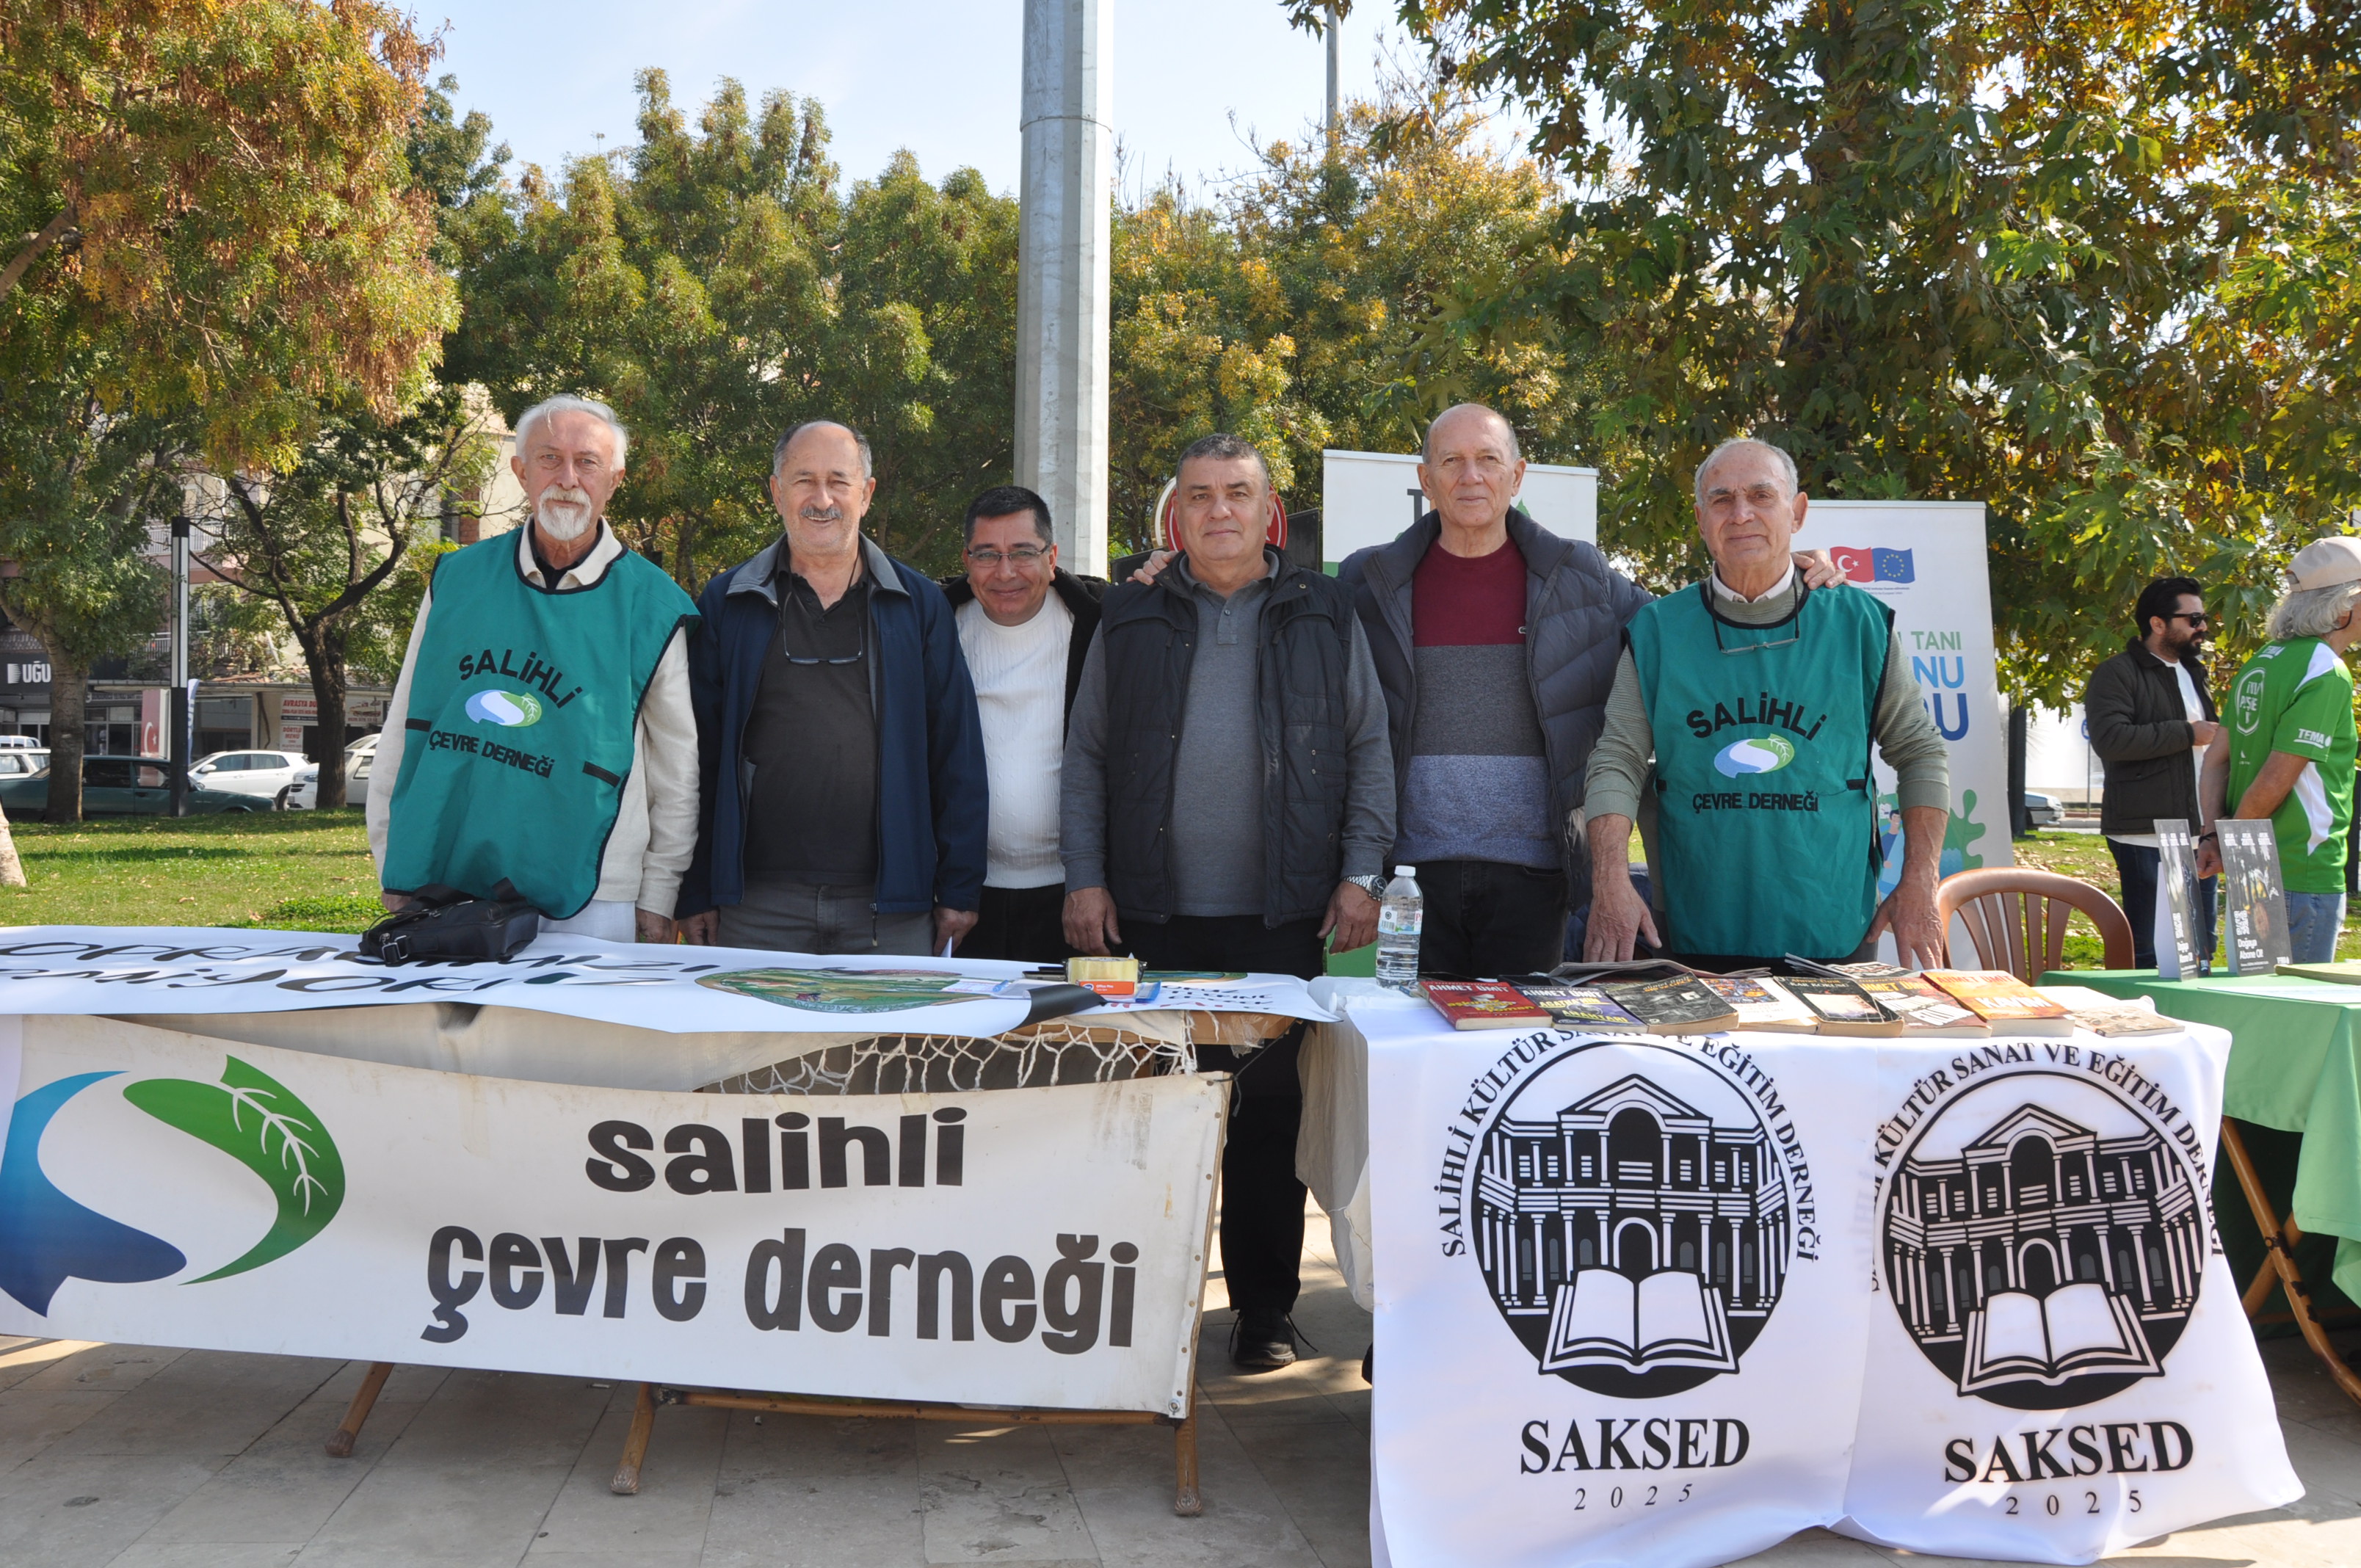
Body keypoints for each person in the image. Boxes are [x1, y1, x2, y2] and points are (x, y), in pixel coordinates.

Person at [1061, 432, 1394, 1371]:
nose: (1218, 512)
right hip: (1149, 916)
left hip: (1281, 918)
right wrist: (1085, 878)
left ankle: (1263, 1314)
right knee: (1150, 1119)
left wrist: (1362, 872)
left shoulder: (1325, 613)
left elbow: (1369, 747)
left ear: (1267, 510)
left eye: (1236, 494)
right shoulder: (1128, 620)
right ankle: (1140, 1313)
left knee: (1268, 1121)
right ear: (1177, 515)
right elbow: (1085, 756)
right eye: (1199, 496)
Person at [1338, 403, 1846, 976]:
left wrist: (1781, 573)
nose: (1470, 476)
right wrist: (1360, 867)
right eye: (1452, 461)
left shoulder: (1579, 575)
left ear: (1518, 474)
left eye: (1488, 459)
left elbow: (1689, 630)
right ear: (1426, 479)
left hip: (1537, 876)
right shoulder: (1368, 582)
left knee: (1520, 1056)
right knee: (1416, 1052)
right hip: (1411, 879)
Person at [1583, 437, 1951, 969]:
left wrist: (1920, 878)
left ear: (1796, 512)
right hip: (1696, 919)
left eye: (1761, 495)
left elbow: (1919, 752)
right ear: (1701, 518)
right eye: (1722, 499)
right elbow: (1617, 759)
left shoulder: (1859, 625)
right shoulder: (1659, 631)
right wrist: (1611, 880)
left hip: (1831, 921)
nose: (1741, 514)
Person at [369, 395, 699, 943]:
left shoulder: (654, 606)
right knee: (463, 1031)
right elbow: (408, 723)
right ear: (521, 471)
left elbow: (676, 768)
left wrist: (659, 893)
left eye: (587, 462)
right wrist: (394, 858)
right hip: (453, 876)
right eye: (549, 459)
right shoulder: (457, 580)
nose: (568, 478)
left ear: (615, 479)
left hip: (596, 893)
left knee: (580, 1033)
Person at [676, 421, 985, 956]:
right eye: (804, 481)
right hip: (754, 908)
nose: (822, 499)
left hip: (889, 908)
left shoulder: (917, 605)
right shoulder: (728, 602)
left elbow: (955, 750)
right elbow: (695, 756)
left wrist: (959, 885)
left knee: (889, 1044)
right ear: (776, 493)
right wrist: (696, 885)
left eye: (839, 481)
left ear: (865, 493)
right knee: (755, 1043)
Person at [939, 485, 1104, 962]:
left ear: (1052, 557)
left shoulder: (1102, 624)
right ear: (967, 559)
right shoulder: (931, 627)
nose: (1005, 572)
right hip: (963, 900)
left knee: (1070, 1036)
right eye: (988, 554)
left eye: (1023, 553)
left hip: (1076, 898)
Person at [2200, 537, 2361, 963]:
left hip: (2252, 866)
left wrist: (2215, 835)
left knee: (2256, 1002)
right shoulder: (2326, 669)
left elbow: (2216, 760)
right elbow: (2277, 776)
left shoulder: (2263, 659)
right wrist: (2231, 842)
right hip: (2302, 871)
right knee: (2295, 1019)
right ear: (2344, 608)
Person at [2085, 576, 2222, 966]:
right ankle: (2145, 1022)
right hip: (2145, 831)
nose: (2203, 627)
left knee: (2199, 949)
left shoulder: (2195, 672)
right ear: (2158, 623)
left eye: (2204, 617)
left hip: (2197, 831)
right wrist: (2187, 733)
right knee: (2150, 950)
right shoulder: (2117, 672)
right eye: (2193, 619)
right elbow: (2110, 739)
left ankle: (2197, 1022)